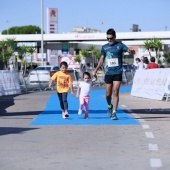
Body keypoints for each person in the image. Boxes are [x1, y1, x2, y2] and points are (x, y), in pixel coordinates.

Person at [92, 28, 135, 120]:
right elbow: (101, 60)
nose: (109, 40)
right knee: (108, 94)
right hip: (108, 73)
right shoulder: (104, 47)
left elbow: (128, 50)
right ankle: (109, 106)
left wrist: (131, 51)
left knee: (116, 91)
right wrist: (95, 70)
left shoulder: (120, 45)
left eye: (111, 38)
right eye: (107, 38)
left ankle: (114, 112)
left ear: (115, 37)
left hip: (118, 72)